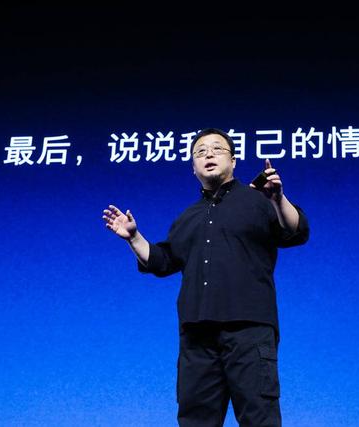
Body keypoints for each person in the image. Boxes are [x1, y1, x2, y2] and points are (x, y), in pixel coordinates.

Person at [102, 128, 309, 426]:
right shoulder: (187, 217)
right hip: (197, 335)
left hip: (249, 329)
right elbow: (163, 261)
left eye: (216, 149)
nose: (208, 155)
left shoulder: (258, 200)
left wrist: (277, 198)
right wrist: (134, 238)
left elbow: (295, 231)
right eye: (200, 152)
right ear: (193, 167)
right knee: (195, 420)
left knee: (260, 418)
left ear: (233, 160)